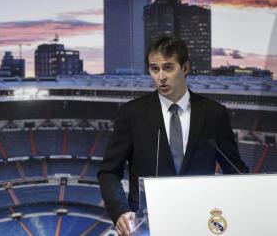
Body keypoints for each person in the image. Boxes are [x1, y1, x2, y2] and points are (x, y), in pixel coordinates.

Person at [97, 35, 248, 236]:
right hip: (146, 225)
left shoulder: (214, 114)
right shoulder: (132, 114)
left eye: (168, 67)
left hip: (201, 224)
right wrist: (121, 212)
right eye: (154, 69)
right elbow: (109, 172)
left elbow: (235, 171)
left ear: (185, 68)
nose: (161, 76)